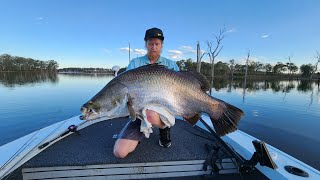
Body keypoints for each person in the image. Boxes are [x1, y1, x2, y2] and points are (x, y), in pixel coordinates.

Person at [113, 27, 179, 158]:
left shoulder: (171, 65)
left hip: (163, 109)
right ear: (146, 44)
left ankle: (164, 128)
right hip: (139, 112)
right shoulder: (135, 63)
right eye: (151, 43)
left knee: (152, 114)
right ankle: (141, 128)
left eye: (157, 44)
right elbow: (126, 86)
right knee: (119, 152)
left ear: (161, 45)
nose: (154, 47)